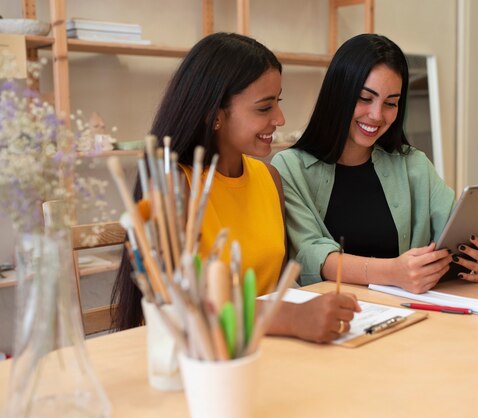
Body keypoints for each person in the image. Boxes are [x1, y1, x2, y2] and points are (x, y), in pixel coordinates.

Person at [112, 32, 360, 343]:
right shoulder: (173, 185)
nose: (280, 118)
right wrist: (293, 318)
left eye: (278, 102)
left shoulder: (269, 178)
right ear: (214, 115)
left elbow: (273, 288)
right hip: (202, 359)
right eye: (264, 108)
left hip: (268, 349)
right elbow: (175, 306)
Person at [271, 33, 478, 293]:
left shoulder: (413, 164)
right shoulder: (289, 168)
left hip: (410, 313)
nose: (377, 115)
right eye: (365, 98)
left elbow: (453, 227)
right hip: (335, 318)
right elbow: (310, 253)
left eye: (391, 103)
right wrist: (394, 273)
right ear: (339, 94)